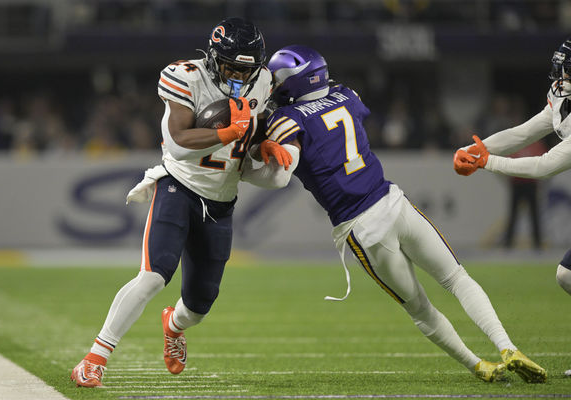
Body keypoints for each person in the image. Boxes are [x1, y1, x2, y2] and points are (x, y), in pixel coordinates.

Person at [241, 44, 547, 383]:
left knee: (419, 309)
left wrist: (244, 165)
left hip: (362, 227)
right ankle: (508, 347)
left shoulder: (288, 120)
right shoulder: (346, 95)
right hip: (395, 203)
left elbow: (281, 176)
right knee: (457, 279)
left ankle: (478, 365)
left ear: (290, 83)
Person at [70, 17, 291, 387]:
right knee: (154, 275)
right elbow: (177, 142)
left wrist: (259, 141)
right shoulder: (187, 77)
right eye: (231, 67)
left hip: (222, 200)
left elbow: (253, 124)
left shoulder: (264, 82)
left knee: (200, 303)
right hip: (179, 186)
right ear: (212, 58)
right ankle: (95, 358)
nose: (238, 76)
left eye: (246, 70)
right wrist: (228, 131)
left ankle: (173, 326)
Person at [453, 37, 571, 299]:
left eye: (569, 70)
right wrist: (477, 150)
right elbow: (526, 132)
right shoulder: (562, 96)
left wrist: (486, 162)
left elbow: (545, 166)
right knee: (567, 275)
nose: (562, 76)